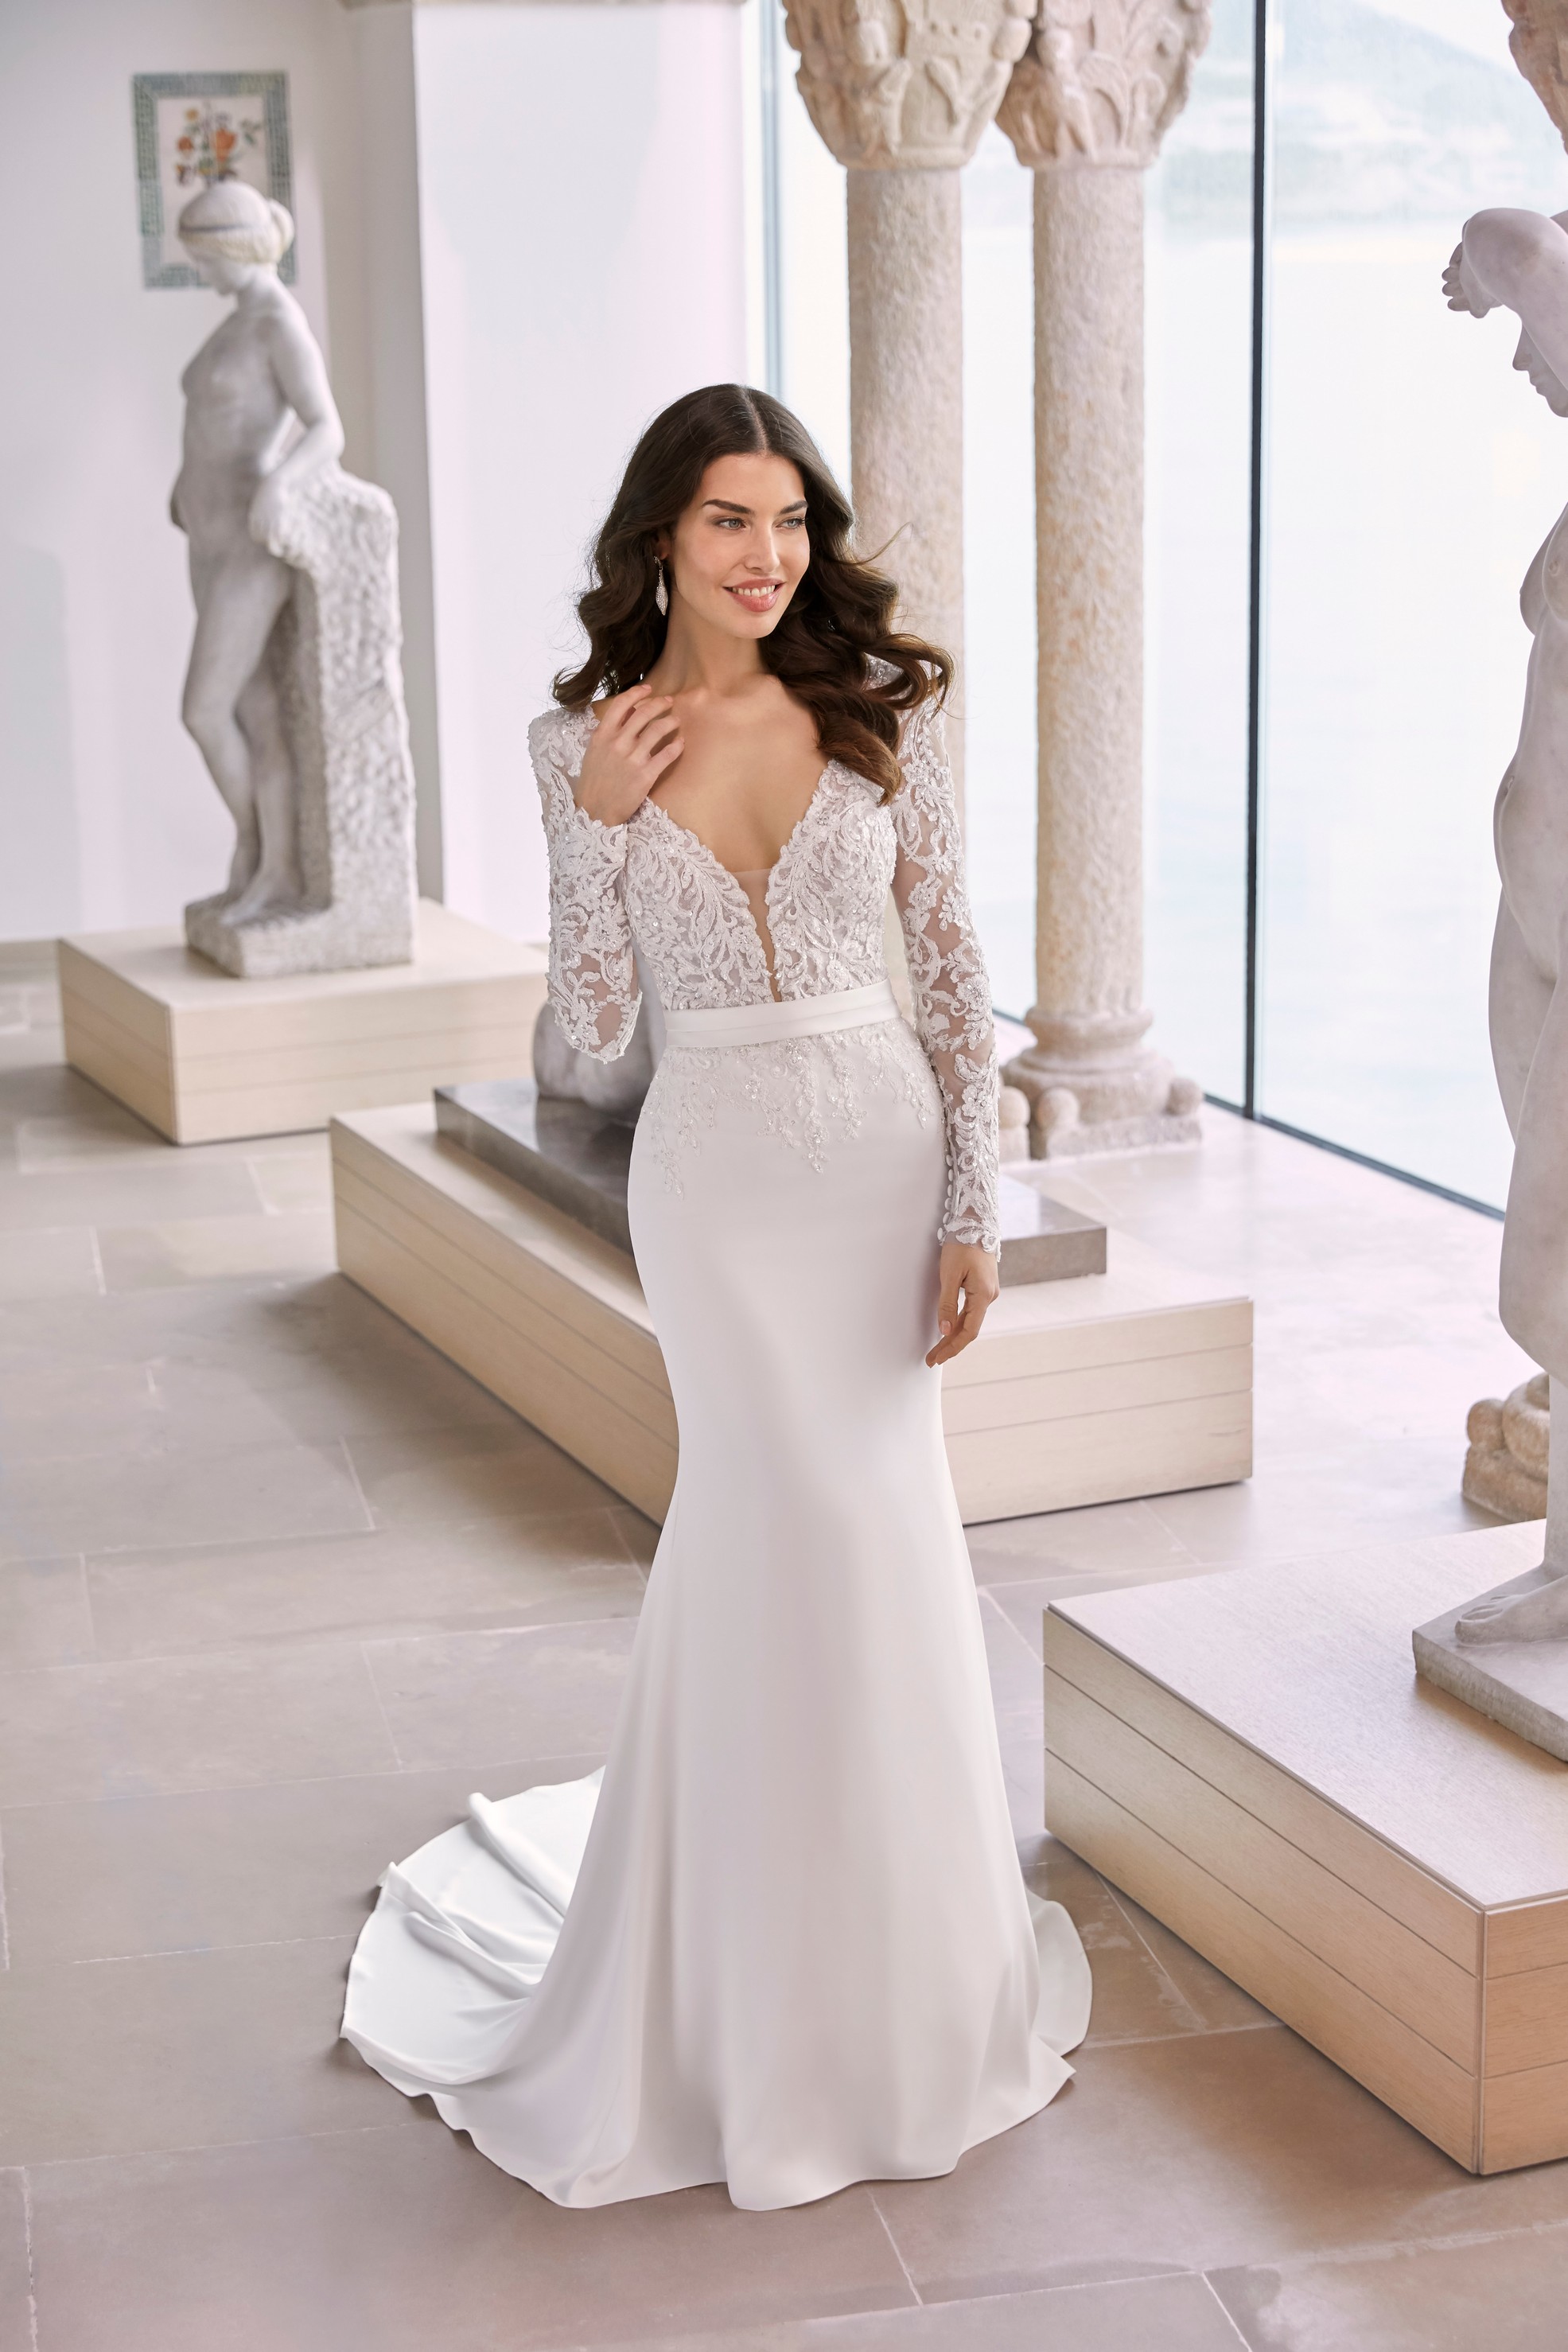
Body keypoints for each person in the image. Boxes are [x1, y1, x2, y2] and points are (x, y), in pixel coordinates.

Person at [341, 384, 1091, 2209]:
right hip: (719, 1187)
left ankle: (898, 1980)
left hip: (880, 1169)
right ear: (659, 540)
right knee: (769, 1529)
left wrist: (973, 1207)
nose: (769, 559)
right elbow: (586, 1045)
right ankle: (726, 1995)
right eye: (728, 524)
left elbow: (948, 960)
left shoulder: (865, 712)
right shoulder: (579, 740)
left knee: (883, 1535)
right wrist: (595, 830)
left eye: (789, 523)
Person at [171, 179, 344, 924]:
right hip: (205, 538)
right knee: (257, 708)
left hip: (247, 543)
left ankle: (258, 854)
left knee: (204, 711)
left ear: (229, 248)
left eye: (203, 258)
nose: (198, 272)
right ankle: (268, 869)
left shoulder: (277, 322)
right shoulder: (237, 320)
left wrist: (279, 483)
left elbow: (325, 427)